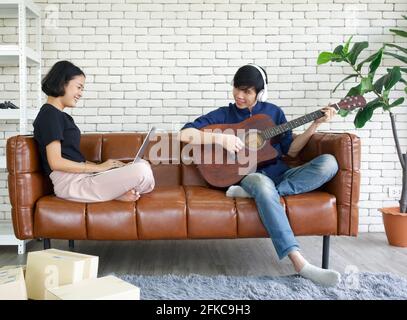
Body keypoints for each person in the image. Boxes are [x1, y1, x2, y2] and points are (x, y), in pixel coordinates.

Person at [180, 63, 341, 287]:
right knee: (263, 186)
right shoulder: (224, 114)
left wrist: (315, 124)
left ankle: (255, 194)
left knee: (329, 163)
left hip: (281, 173)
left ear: (259, 93)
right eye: (237, 88)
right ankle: (300, 264)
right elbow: (185, 134)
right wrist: (221, 139)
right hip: (252, 177)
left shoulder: (273, 113)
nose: (239, 95)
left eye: (247, 91)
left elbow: (291, 150)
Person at [33, 60, 155, 203]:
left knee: (143, 165)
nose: (80, 94)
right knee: (142, 171)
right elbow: (56, 162)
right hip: (71, 184)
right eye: (79, 87)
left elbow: (72, 158)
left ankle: (114, 193)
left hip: (83, 178)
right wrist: (99, 168)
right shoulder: (49, 114)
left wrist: (105, 168)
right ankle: (115, 193)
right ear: (62, 83)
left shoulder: (61, 116)